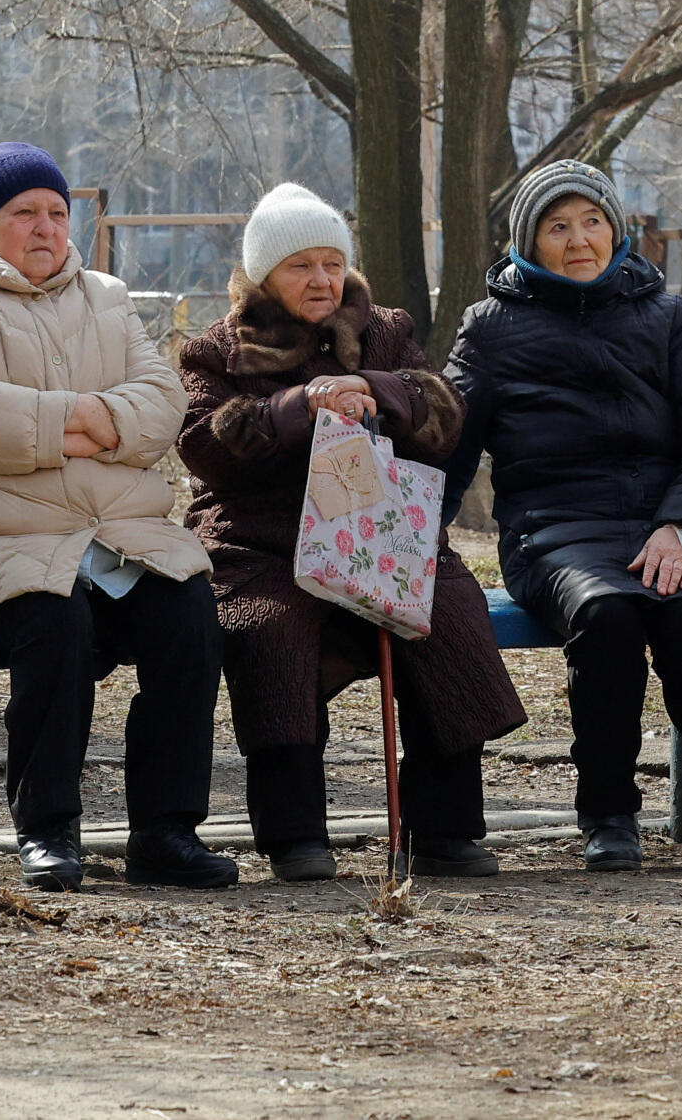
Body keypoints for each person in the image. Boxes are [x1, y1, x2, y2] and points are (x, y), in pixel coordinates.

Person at [0, 142, 234, 892]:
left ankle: (165, 832)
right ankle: (48, 829)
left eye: (56, 211)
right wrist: (86, 421)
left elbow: (162, 403)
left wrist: (48, 427)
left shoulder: (107, 298)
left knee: (188, 613)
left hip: (115, 536)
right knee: (57, 619)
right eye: (25, 213)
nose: (46, 227)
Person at [176, 184, 526, 882]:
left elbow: (444, 420)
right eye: (300, 265)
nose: (321, 280)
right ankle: (295, 834)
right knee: (269, 630)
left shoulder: (386, 331)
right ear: (263, 274)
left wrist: (382, 391)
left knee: (447, 613)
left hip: (381, 529)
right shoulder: (218, 350)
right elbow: (202, 443)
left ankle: (445, 826)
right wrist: (298, 405)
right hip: (261, 542)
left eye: (332, 263)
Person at [442, 160, 682, 872]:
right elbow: (446, 448)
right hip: (554, 532)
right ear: (531, 240)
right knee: (609, 613)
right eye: (558, 226)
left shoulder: (665, 314)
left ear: (616, 229)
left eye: (591, 221)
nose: (579, 239)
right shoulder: (490, 329)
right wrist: (410, 546)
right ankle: (609, 815)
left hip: (667, 525)